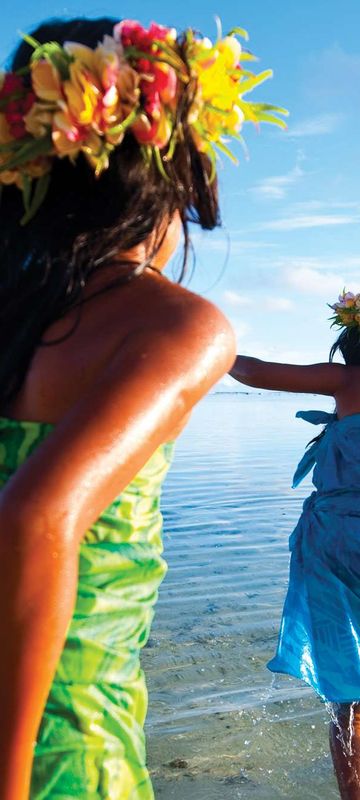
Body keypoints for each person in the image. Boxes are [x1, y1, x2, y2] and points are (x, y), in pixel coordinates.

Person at [0, 15, 286, 800]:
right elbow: (32, 519)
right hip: (59, 740)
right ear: (168, 174)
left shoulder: (17, 321)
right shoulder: (175, 323)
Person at [230, 291, 360, 800]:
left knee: (348, 692)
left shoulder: (347, 380)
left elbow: (255, 372)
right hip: (338, 538)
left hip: (338, 542)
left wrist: (208, 347)